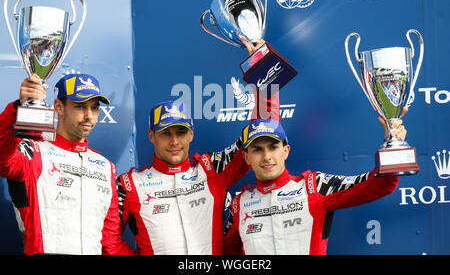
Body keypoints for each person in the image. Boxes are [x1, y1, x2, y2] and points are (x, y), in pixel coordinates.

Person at [116, 40, 279, 254]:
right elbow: (104, 238)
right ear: (151, 136)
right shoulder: (128, 185)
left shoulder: (213, 169)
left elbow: (263, 130)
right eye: (165, 133)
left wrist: (262, 68)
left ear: (191, 134)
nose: (174, 141)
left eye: (181, 132)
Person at [223, 115, 407, 255]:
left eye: (273, 147)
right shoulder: (239, 205)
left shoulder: (316, 186)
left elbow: (381, 185)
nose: (266, 157)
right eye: (257, 150)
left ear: (285, 151)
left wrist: (392, 145)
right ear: (246, 157)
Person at [0, 73, 135, 255]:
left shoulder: (106, 167)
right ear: (58, 107)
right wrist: (19, 107)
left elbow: (109, 241)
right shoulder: (33, 152)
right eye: (80, 106)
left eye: (94, 108)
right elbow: (3, 159)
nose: (89, 116)